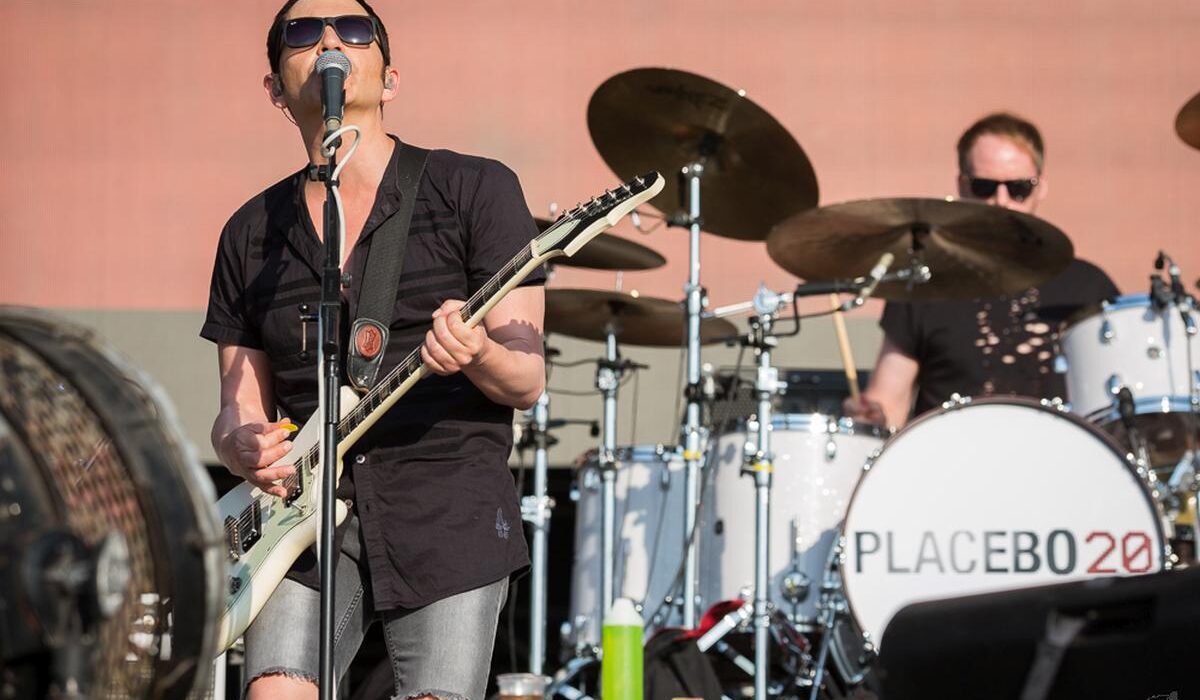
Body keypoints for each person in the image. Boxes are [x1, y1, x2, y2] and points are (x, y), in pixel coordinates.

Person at [200, 1, 546, 698]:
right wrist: (242, 445)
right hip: (302, 519)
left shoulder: (474, 191)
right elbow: (238, 408)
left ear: (390, 78)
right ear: (275, 87)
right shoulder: (250, 235)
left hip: (444, 504)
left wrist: (476, 352)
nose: (330, 41)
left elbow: (526, 379)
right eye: (304, 33)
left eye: (354, 32)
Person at [846, 112, 1119, 429]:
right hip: (949, 469)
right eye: (984, 186)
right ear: (962, 187)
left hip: (1061, 469)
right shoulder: (923, 284)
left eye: (1018, 188)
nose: (1000, 202)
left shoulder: (1088, 287)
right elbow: (888, 400)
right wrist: (870, 417)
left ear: (1040, 188)